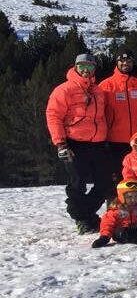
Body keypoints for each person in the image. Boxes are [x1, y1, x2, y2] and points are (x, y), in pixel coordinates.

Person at [45, 53, 111, 233]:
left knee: (105, 183)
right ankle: (82, 219)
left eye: (90, 66)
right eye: (82, 66)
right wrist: (60, 143)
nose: (86, 70)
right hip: (74, 143)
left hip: (97, 143)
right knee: (78, 183)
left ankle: (84, 213)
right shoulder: (64, 89)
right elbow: (53, 116)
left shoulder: (98, 91)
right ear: (75, 67)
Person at [100, 48, 137, 178]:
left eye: (128, 60)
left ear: (133, 62)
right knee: (119, 174)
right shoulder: (106, 85)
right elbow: (100, 112)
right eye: (122, 60)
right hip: (115, 139)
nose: (125, 63)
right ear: (117, 62)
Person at [91, 180, 137, 248]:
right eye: (129, 197)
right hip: (122, 232)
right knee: (121, 232)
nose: (133, 199)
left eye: (136, 196)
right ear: (121, 196)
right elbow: (107, 225)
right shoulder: (115, 211)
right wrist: (104, 238)